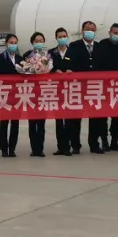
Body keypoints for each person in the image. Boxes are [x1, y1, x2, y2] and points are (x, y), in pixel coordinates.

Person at [67, 20, 102, 153]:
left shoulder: (99, 46)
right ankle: (75, 145)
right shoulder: (74, 46)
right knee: (76, 117)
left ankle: (94, 144)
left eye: (92, 30)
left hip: (94, 87)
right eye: (88, 29)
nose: (90, 32)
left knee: (95, 117)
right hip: (79, 86)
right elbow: (69, 62)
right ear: (82, 31)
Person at [95, 23, 118, 151]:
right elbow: (98, 63)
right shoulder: (102, 45)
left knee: (117, 115)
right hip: (104, 85)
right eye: (115, 33)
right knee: (103, 115)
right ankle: (104, 141)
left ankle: (115, 141)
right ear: (110, 32)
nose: (117, 35)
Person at [20, 32, 52, 157]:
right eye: (37, 41)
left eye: (41, 40)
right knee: (32, 123)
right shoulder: (27, 55)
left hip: (43, 92)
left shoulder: (47, 56)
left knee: (41, 124)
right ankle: (34, 148)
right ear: (32, 42)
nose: (39, 42)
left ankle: (40, 149)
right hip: (31, 93)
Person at [0, 34, 20, 157]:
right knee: (4, 123)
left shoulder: (20, 59)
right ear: (6, 43)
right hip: (4, 94)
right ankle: (4, 148)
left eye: (15, 43)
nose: (13, 45)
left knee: (15, 123)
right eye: (11, 43)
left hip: (17, 95)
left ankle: (12, 148)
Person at [49, 27, 74, 155]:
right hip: (57, 90)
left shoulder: (73, 51)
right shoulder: (51, 52)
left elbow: (79, 65)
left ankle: (68, 146)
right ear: (56, 38)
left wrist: (72, 70)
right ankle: (61, 146)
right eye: (60, 37)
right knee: (59, 120)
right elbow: (47, 68)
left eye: (64, 36)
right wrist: (55, 71)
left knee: (69, 121)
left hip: (71, 90)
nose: (62, 38)